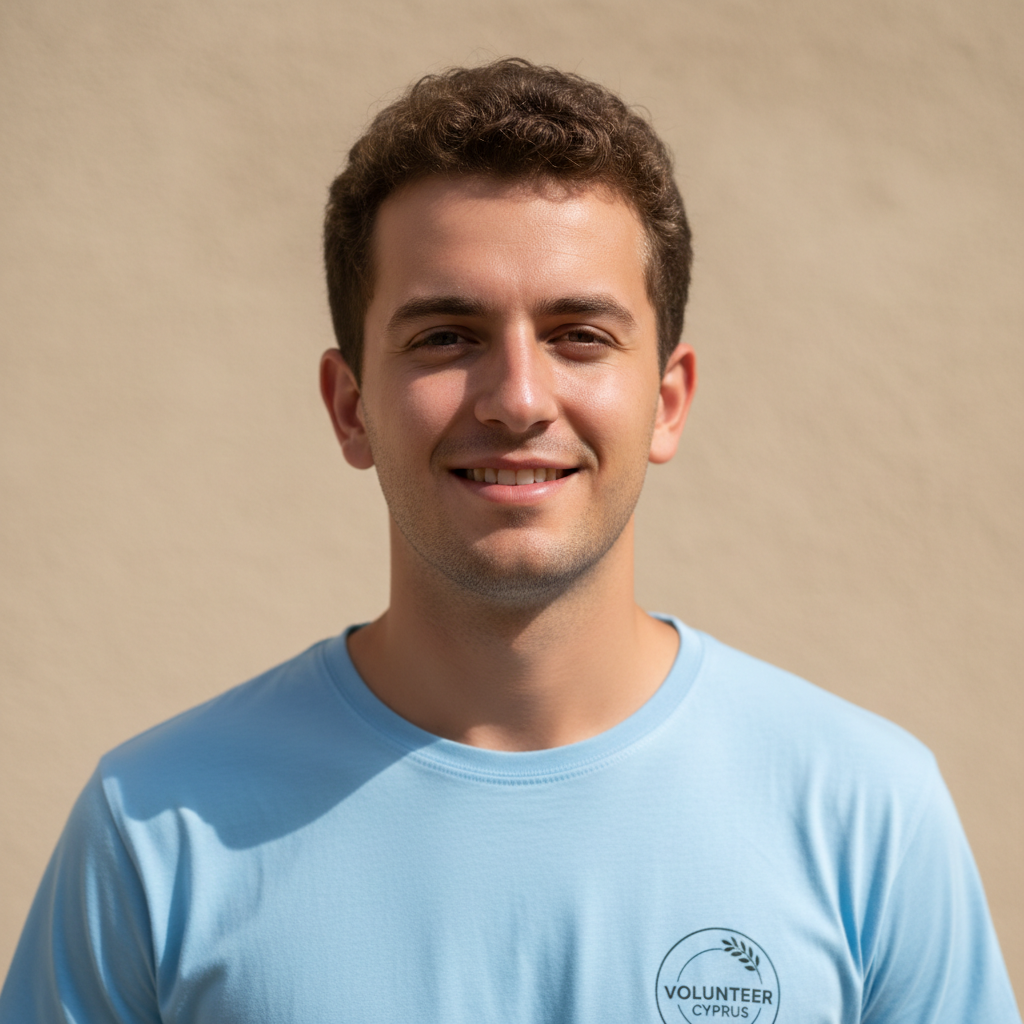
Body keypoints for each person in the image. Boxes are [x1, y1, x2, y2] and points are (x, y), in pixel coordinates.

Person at [1, 58, 1018, 1024]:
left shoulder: (864, 813)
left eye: (579, 334)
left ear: (667, 402)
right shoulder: (155, 828)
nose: (519, 398)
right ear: (349, 406)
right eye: (446, 335)